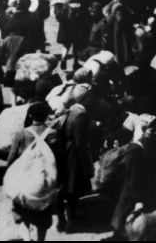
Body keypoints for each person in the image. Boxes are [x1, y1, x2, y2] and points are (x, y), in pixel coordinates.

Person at [7, 102, 54, 242]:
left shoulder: (21, 134)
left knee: (22, 210)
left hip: (24, 179)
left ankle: (27, 237)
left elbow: (11, 159)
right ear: (46, 116)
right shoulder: (54, 134)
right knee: (43, 214)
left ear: (31, 115)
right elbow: (59, 159)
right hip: (45, 180)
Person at [56, 84, 94, 233]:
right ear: (85, 98)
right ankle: (70, 222)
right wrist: (87, 165)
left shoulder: (70, 111)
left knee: (62, 189)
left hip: (64, 152)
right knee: (73, 191)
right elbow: (81, 144)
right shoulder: (81, 114)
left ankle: (61, 219)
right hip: (74, 156)